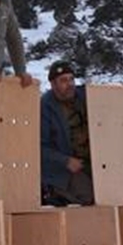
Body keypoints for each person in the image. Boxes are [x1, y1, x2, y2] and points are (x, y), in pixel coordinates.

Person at [39, 60, 94, 205]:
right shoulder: (45, 107)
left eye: (71, 79)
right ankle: (54, 193)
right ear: (53, 84)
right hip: (63, 168)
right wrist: (65, 161)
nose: (69, 84)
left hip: (92, 162)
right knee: (87, 196)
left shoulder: (84, 95)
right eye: (63, 80)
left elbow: (107, 95)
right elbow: (39, 146)